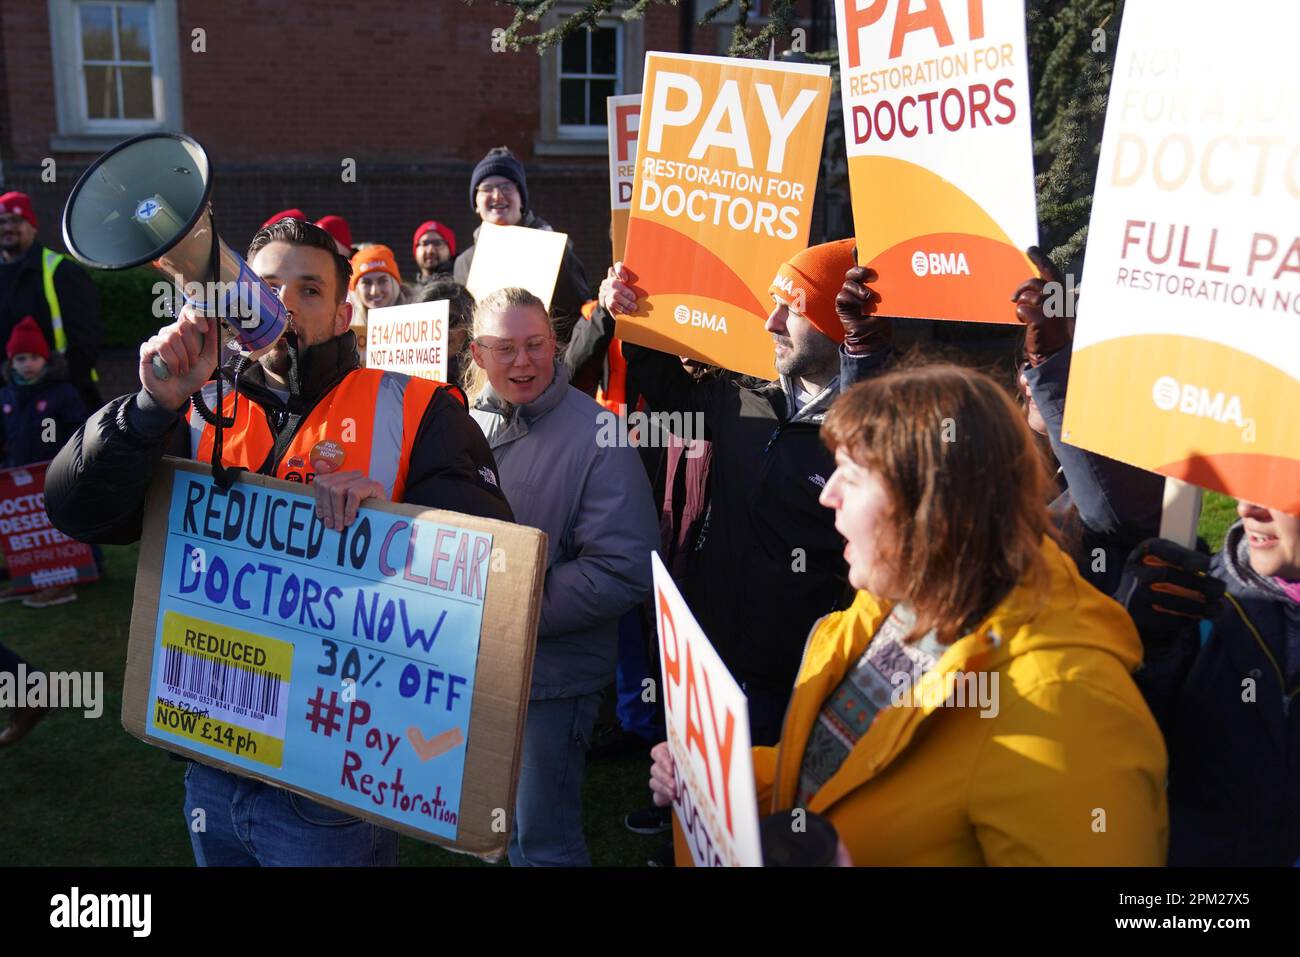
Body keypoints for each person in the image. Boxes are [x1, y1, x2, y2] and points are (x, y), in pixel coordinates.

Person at [45, 217, 513, 867]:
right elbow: (79, 511)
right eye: (265, 286)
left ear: (345, 312)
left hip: (335, 777)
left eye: (310, 289)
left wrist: (396, 519)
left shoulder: (421, 406)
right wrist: (150, 408)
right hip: (214, 759)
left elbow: (490, 571)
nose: (285, 304)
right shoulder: (196, 398)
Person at [649, 362, 1170, 865]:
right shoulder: (892, 607)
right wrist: (719, 776)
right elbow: (828, 767)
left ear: (928, 507)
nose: (826, 494)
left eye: (850, 476)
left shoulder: (1067, 708)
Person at [599, 239, 892, 746]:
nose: (771, 322)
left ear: (835, 323)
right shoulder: (743, 395)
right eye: (773, 304)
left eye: (792, 308)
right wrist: (634, 314)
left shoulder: (876, 423)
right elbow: (669, 393)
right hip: (711, 650)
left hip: (800, 674)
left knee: (777, 813)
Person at [464, 286, 659, 866]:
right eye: (505, 348)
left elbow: (623, 568)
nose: (522, 362)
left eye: (535, 345)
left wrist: (505, 617)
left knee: (542, 839)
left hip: (552, 679)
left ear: (556, 344)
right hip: (474, 669)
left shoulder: (598, 433)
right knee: (499, 833)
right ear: (478, 354)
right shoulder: (456, 422)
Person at [1119, 503, 1300, 865]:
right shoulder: (1199, 608)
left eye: (1282, 483)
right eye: (1250, 473)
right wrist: (1143, 649)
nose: (1247, 505)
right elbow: (1120, 755)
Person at [1006, 247, 1165, 593]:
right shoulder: (1003, 459)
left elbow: (1104, 512)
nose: (1031, 380)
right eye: (1028, 363)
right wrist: (863, 351)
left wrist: (1053, 370)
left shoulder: (1139, 473)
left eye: (1058, 367)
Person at [453, 147, 589, 339]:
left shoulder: (554, 250)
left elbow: (580, 314)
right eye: (486, 188)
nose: (497, 195)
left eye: (506, 187)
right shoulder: (464, 262)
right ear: (475, 203)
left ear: (521, 199)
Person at [0, 316, 89, 607]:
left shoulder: (61, 394)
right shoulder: (7, 395)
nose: (27, 363)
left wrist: (64, 457)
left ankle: (77, 573)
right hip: (18, 476)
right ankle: (29, 577)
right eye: (21, 358)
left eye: (34, 357)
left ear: (46, 359)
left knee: (63, 523)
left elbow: (77, 428)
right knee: (27, 530)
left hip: (54, 472)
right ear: (11, 362)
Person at [0, 191, 102, 412]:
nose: (7, 228)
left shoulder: (62, 272)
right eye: (2, 222)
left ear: (33, 226)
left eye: (16, 220)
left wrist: (60, 387)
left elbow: (86, 338)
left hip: (64, 399)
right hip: (10, 402)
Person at [348, 244, 411, 366]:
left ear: (394, 283)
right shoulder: (345, 325)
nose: (375, 291)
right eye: (366, 283)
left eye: (383, 281)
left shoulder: (418, 319)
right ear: (356, 289)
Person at [412, 277, 473, 392]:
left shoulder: (483, 377)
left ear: (470, 324)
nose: (441, 331)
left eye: (451, 321)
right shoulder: (407, 377)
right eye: (432, 323)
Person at [412, 220, 456, 289]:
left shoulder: (461, 282)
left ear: (450, 249)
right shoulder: (411, 295)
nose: (430, 251)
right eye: (424, 244)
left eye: (437, 243)